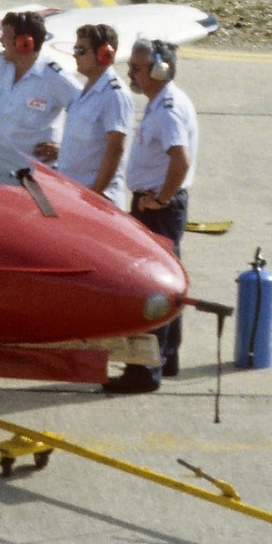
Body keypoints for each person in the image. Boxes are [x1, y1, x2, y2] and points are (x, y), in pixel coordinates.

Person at [104, 39, 199, 395]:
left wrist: (160, 198)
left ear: (159, 70)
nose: (130, 73)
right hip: (161, 205)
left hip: (157, 207)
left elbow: (180, 159)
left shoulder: (168, 110)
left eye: (138, 68)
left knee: (152, 286)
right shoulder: (166, 101)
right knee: (169, 280)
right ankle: (167, 357)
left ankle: (144, 372)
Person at [0, 10, 80, 164]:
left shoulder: (54, 78)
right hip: (0, 164)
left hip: (37, 172)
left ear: (24, 43)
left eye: (5, 35)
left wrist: (64, 149)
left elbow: (90, 113)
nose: (1, 40)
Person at [43, 23, 134, 207]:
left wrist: (95, 195)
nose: (75, 54)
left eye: (81, 50)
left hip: (95, 200)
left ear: (104, 54)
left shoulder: (114, 94)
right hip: (75, 194)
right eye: (75, 48)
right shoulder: (86, 90)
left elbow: (115, 148)